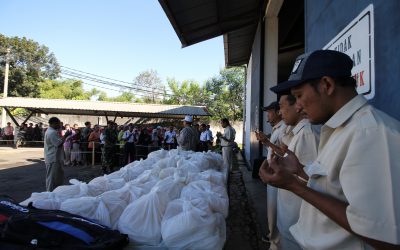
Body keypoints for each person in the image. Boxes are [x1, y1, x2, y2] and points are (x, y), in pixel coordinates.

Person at [259, 50, 400, 249]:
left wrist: (294, 185)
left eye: (299, 96)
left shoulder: (371, 133)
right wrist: (299, 170)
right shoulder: (339, 129)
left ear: (327, 85)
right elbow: (336, 191)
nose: (298, 106)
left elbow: (386, 237)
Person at [272, 93, 319, 249]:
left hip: (296, 215)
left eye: (281, 106)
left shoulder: (306, 135)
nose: (280, 112)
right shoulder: (299, 133)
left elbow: (311, 181)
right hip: (289, 212)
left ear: (296, 106)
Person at [256, 101, 287, 248]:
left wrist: (267, 142)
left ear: (277, 112)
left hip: (278, 175)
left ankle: (275, 239)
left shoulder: (283, 129)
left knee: (274, 209)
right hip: (272, 174)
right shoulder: (276, 129)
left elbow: (283, 153)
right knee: (272, 209)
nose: (267, 116)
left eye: (269, 112)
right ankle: (273, 236)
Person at [44, 117, 71, 191]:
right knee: (53, 179)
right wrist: (65, 136)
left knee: (57, 177)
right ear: (53, 123)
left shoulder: (51, 131)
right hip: (53, 158)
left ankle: (55, 193)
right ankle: (50, 194)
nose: (60, 125)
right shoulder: (52, 132)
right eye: (58, 123)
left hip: (55, 158)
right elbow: (58, 144)